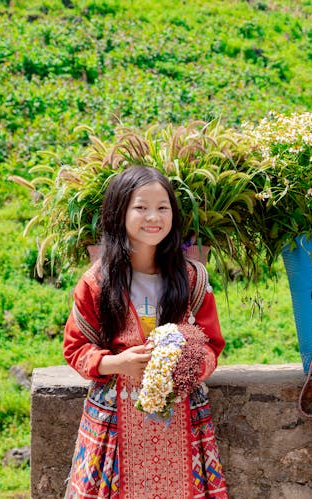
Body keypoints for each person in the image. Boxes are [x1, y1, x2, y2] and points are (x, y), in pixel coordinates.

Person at [62, 166, 228, 498]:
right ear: (118, 212)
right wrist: (116, 363)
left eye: (162, 207)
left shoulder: (192, 278)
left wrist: (187, 367)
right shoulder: (97, 282)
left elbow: (212, 343)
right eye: (141, 207)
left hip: (182, 414)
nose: (153, 216)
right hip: (114, 422)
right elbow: (75, 347)